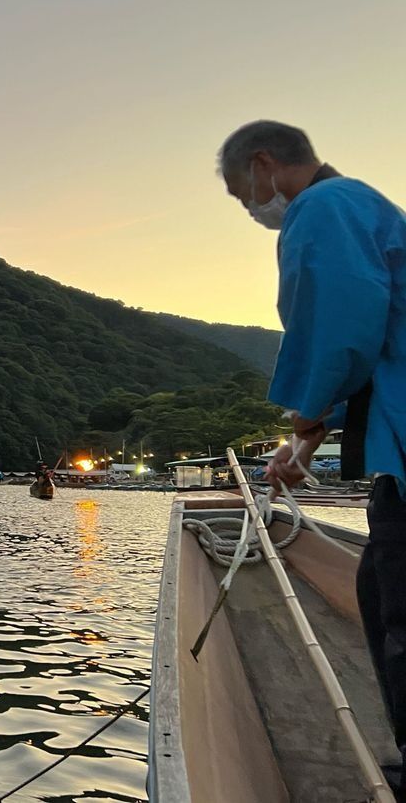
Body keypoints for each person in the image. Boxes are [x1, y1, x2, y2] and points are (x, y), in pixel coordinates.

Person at [218, 120, 406, 785]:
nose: (252, 209)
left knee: (397, 603)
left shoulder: (324, 207)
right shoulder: (365, 205)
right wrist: (312, 431)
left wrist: (305, 420)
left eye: (243, 194)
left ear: (264, 165)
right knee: (379, 588)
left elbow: (336, 326)